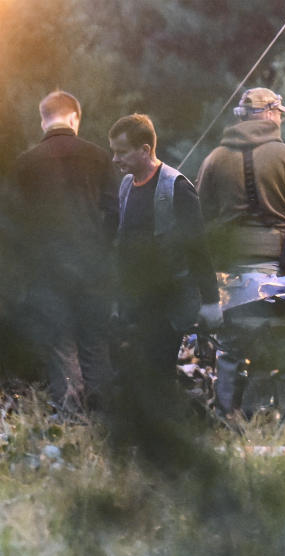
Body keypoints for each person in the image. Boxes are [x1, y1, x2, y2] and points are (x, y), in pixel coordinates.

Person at [196, 87, 285, 417]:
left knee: (230, 351)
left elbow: (199, 214)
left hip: (228, 274)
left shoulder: (215, 158)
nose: (280, 119)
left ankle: (227, 420)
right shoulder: (283, 154)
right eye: (279, 113)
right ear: (268, 113)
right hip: (277, 272)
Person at [13, 90, 118, 412]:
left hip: (47, 273)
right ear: (75, 117)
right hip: (93, 270)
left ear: (43, 119)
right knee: (95, 346)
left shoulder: (25, 164)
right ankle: (104, 425)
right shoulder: (99, 157)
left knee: (60, 348)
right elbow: (115, 212)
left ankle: (71, 423)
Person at [108, 114, 221, 393]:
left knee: (157, 371)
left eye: (121, 152)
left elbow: (198, 246)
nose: (114, 159)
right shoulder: (125, 187)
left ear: (145, 150)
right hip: (134, 301)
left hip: (169, 302)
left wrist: (210, 300)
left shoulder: (177, 187)